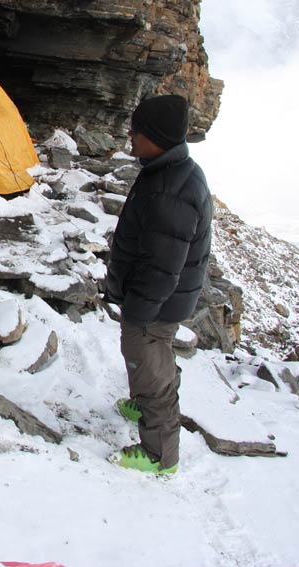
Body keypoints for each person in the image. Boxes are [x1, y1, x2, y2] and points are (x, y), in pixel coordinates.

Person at [104, 94, 213, 475]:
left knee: (150, 364)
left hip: (155, 303)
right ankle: (145, 403)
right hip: (159, 300)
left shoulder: (172, 190)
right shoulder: (166, 170)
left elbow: (163, 266)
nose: (130, 135)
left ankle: (159, 454)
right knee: (148, 358)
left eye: (137, 131)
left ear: (158, 136)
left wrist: (138, 311)